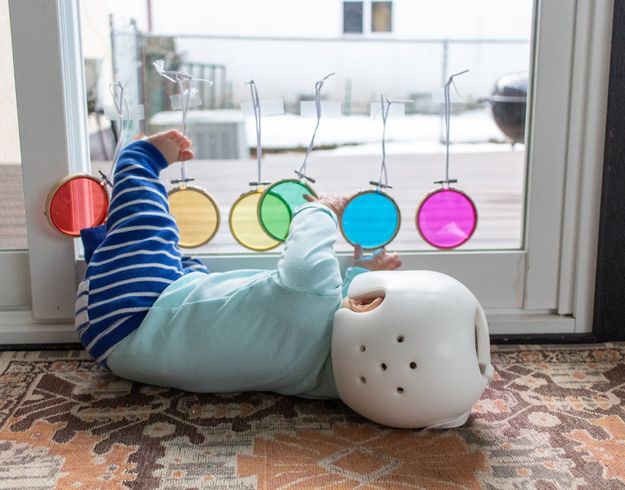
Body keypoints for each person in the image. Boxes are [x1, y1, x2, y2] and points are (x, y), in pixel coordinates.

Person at [75, 130, 400, 398]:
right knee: (192, 274)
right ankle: (104, 252)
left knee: (150, 228)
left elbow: (309, 265)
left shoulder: (311, 299)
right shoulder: (327, 382)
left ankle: (137, 161)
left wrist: (323, 210)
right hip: (132, 350)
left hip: (129, 313)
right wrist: (360, 276)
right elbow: (339, 319)